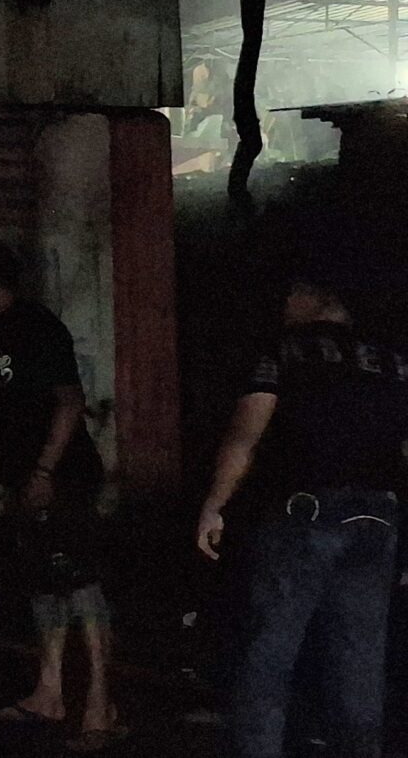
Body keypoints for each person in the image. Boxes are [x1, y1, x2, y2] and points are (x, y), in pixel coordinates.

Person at [194, 270, 408, 758]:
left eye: (290, 295)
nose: (284, 304)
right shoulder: (393, 362)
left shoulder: (284, 351)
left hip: (305, 515)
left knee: (268, 657)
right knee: (360, 659)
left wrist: (215, 504)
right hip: (378, 519)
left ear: (314, 299)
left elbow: (244, 438)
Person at [0, 240, 124, 752]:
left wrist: (46, 470)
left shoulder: (38, 327)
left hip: (65, 474)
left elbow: (69, 402)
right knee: (42, 582)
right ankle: (49, 692)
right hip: (21, 476)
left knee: (80, 581)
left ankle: (100, 705)